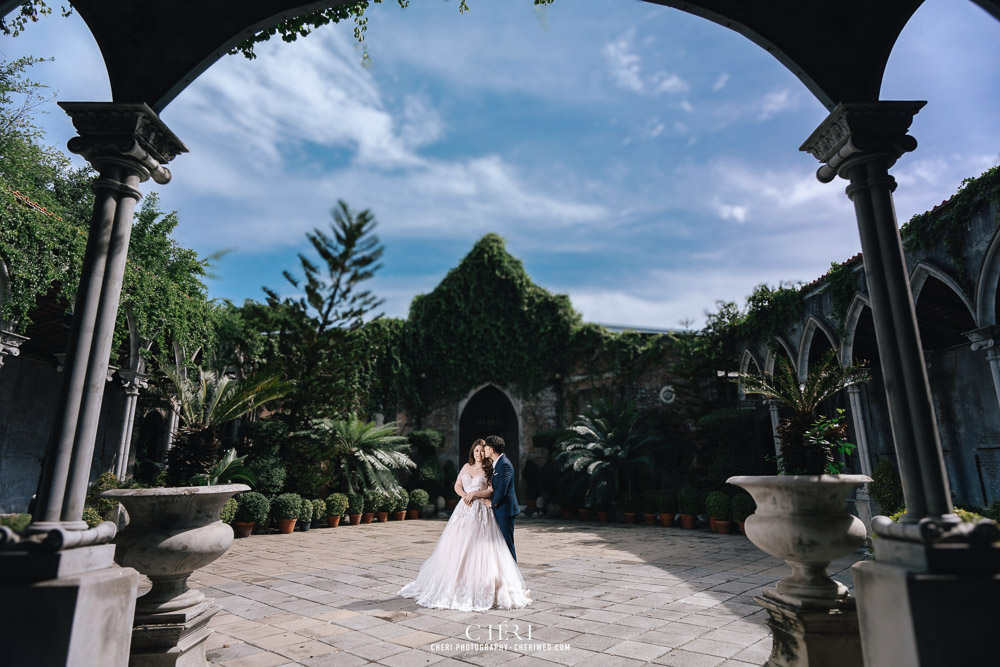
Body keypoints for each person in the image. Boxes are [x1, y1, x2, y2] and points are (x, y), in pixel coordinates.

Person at [398, 439, 530, 611]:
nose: (480, 454)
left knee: (486, 546)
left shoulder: (491, 467)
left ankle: (500, 584)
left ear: (487, 452)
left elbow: (491, 490)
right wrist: (465, 495)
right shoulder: (466, 467)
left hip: (481, 509)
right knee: (458, 544)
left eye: (482, 451)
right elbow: (457, 485)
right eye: (476, 451)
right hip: (464, 508)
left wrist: (475, 494)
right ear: (472, 452)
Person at [482, 434, 519, 561]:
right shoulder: (497, 463)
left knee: (507, 544)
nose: (484, 450)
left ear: (491, 450)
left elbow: (502, 490)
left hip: (505, 510)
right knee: (500, 544)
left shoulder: (504, 464)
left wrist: (491, 503)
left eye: (486, 447)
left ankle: (514, 575)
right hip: (500, 509)